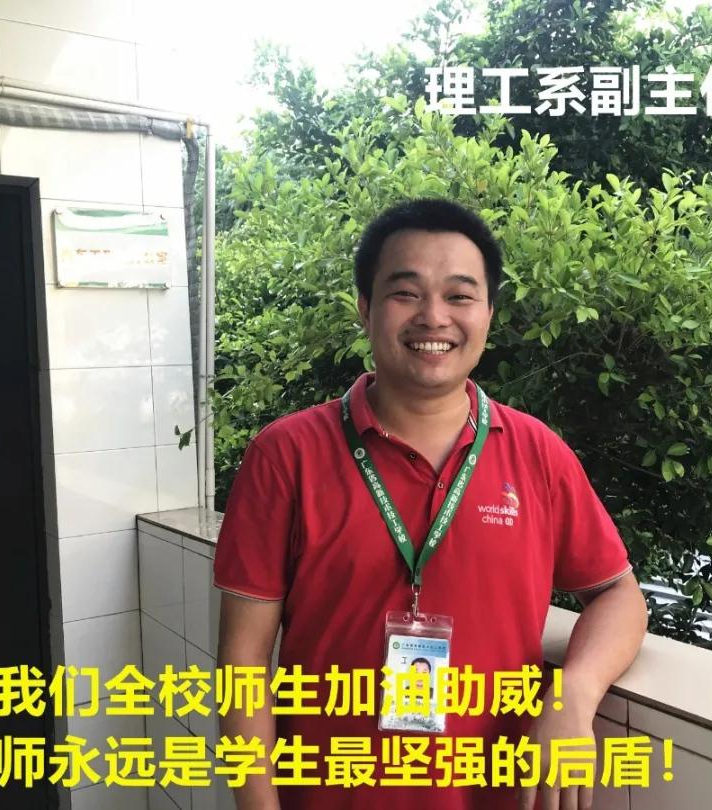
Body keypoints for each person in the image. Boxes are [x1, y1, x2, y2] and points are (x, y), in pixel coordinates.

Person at [213, 198, 648, 810]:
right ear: (365, 308)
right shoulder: (286, 455)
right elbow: (243, 664)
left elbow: (618, 594)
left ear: (489, 313)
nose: (434, 317)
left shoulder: (537, 453)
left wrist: (576, 689)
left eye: (460, 295)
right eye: (406, 293)